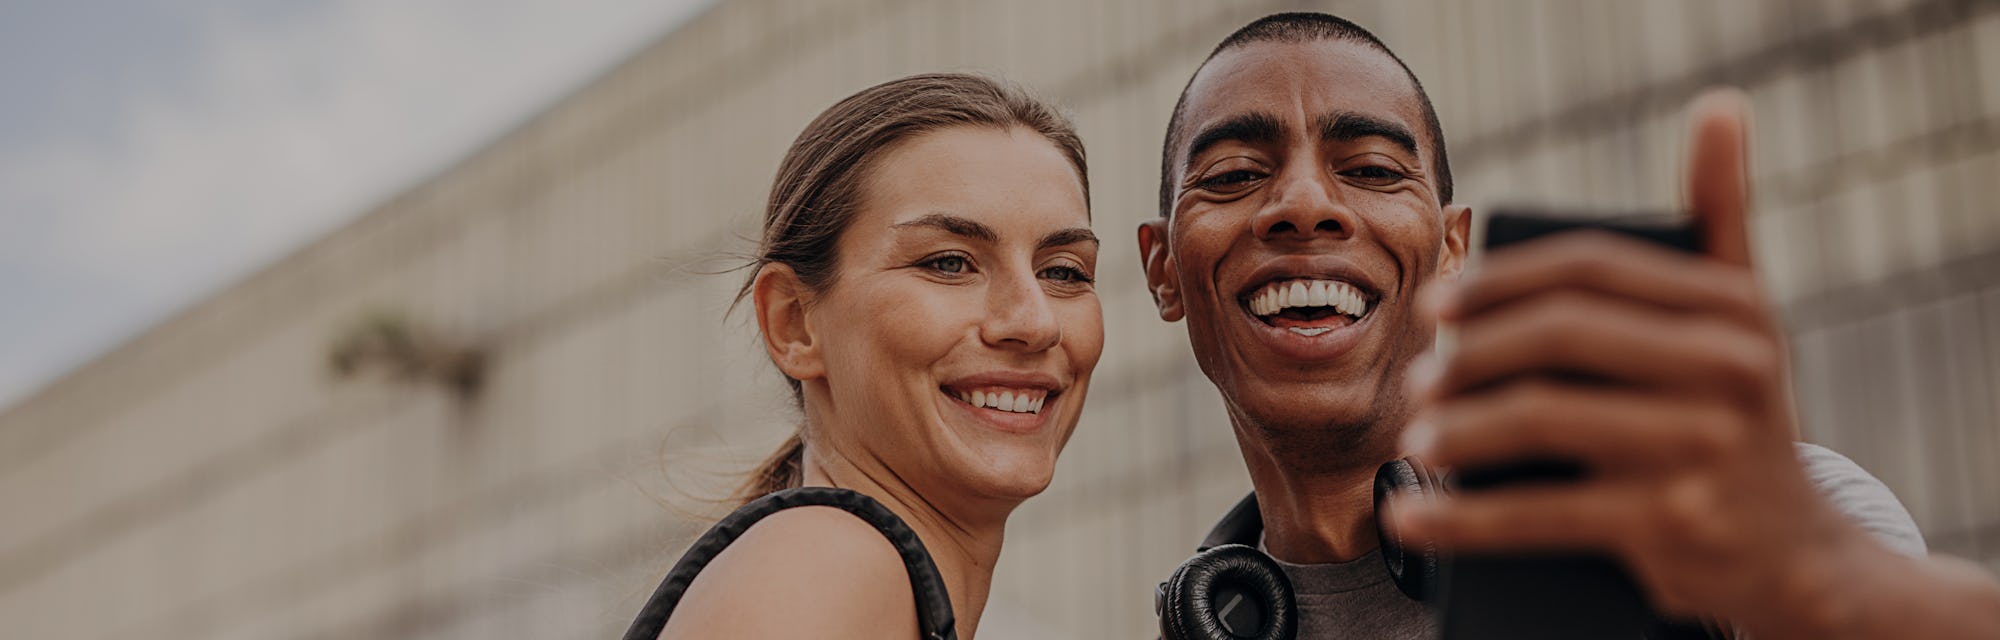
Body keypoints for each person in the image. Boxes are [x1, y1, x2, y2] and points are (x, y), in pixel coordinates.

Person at [1139, 12, 2000, 639]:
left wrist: (1819, 590)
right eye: (1234, 174)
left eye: (1368, 168)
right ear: (1163, 270)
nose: (1304, 206)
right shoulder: (1216, 620)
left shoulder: (1751, 538)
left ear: (1450, 250)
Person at [628, 73, 1103, 640]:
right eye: (949, 263)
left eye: (1063, 271)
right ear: (795, 323)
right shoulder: (825, 566)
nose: (1034, 322)